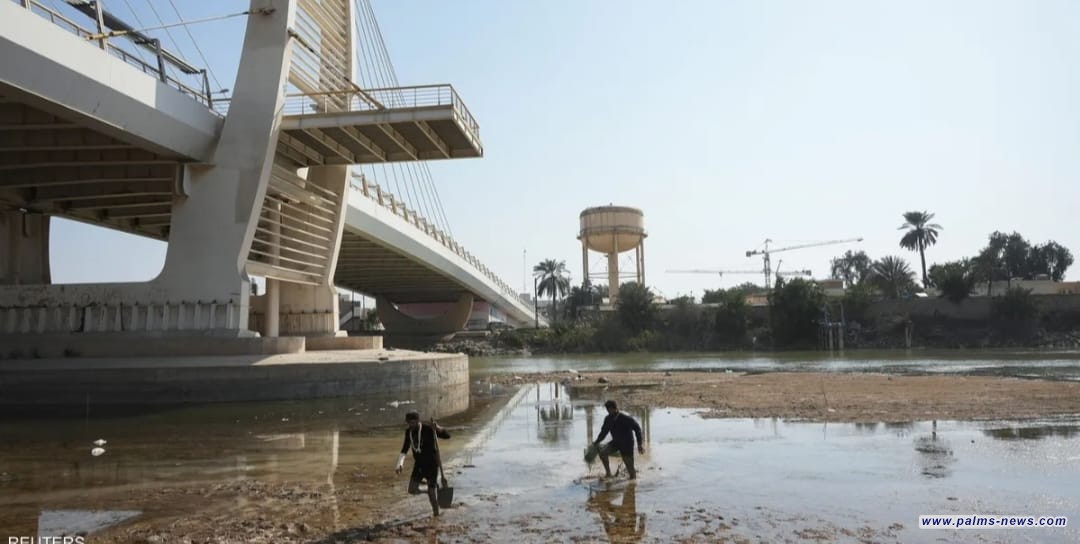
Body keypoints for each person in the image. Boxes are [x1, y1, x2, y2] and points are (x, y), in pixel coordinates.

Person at [395, 411, 450, 516]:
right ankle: (428, 490)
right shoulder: (408, 432)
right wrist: (399, 464)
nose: (411, 425)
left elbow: (447, 436)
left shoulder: (429, 429)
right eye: (409, 423)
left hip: (432, 464)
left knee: (432, 497)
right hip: (419, 465)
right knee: (412, 489)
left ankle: (436, 515)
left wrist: (438, 428)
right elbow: (405, 448)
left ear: (418, 421)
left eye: (413, 422)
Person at [593, 400, 644, 479]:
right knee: (603, 453)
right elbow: (603, 432)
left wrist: (639, 444)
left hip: (627, 444)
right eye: (607, 410)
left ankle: (632, 482)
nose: (609, 412)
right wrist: (597, 442)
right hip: (616, 442)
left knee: (631, 471)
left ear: (615, 408)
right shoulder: (608, 419)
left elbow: (637, 429)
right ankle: (608, 473)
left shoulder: (625, 418)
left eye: (610, 410)